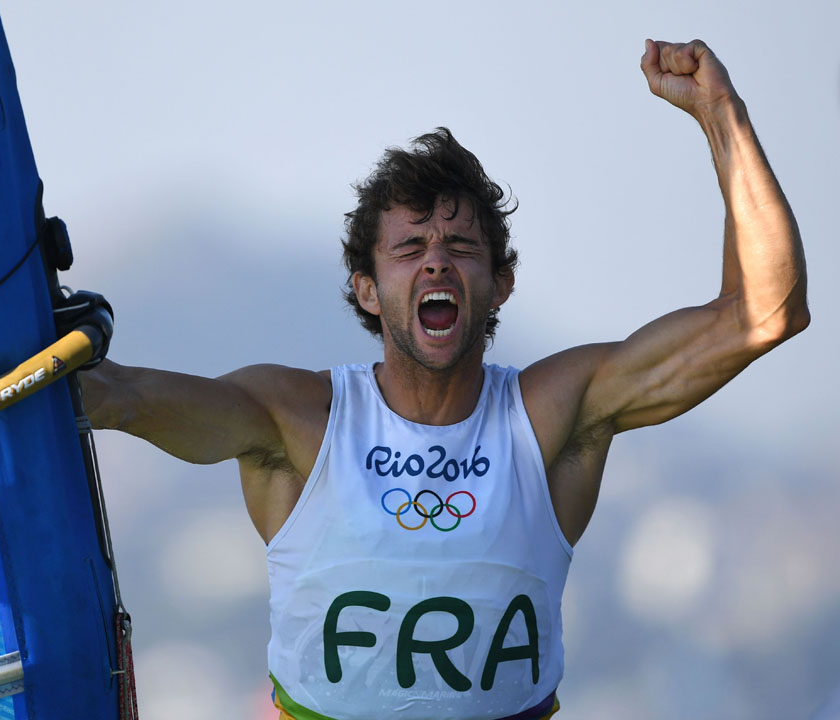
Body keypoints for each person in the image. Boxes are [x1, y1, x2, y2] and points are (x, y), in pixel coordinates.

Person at [77, 39, 809, 720]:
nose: (436, 262)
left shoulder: (557, 410)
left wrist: (722, 114)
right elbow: (119, 397)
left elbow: (765, 312)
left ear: (500, 286)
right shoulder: (294, 416)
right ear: (366, 288)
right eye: (410, 248)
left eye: (461, 246)